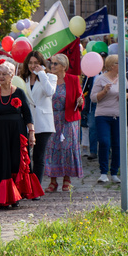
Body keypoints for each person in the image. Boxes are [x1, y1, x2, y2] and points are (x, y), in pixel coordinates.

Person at [0, 61, 37, 208]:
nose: (1, 77)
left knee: (15, 162)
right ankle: (3, 197)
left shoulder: (19, 92)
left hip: (17, 132)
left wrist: (32, 133)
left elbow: (28, 115)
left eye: (4, 74)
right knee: (1, 163)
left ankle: (15, 195)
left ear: (12, 75)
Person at [43, 54, 84, 192]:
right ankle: (53, 181)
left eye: (55, 64)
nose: (52, 66)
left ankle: (67, 179)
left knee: (67, 148)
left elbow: (80, 96)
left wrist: (80, 101)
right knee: (51, 149)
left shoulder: (72, 79)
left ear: (64, 66)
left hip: (68, 119)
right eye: (51, 63)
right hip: (51, 118)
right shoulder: (48, 79)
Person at [19, 51, 56, 185]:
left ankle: (37, 187)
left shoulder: (50, 77)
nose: (33, 66)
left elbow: (49, 92)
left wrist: (41, 73)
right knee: (26, 156)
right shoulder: (23, 78)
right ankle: (27, 185)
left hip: (43, 121)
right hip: (26, 121)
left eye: (36, 63)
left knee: (39, 156)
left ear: (41, 64)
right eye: (30, 63)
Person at [91, 54, 125, 184]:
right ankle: (103, 172)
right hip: (103, 116)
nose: (121, 65)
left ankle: (115, 173)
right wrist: (104, 91)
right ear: (112, 65)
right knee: (104, 142)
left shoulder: (122, 78)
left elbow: (127, 92)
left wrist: (125, 95)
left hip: (118, 116)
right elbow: (93, 98)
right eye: (118, 63)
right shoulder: (101, 79)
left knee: (117, 144)